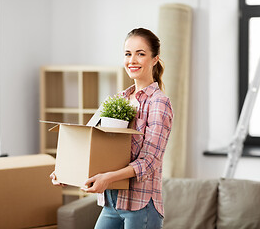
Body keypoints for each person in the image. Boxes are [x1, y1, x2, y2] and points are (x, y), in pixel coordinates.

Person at [50, 28, 173, 229]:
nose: (132, 60)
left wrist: (107, 178)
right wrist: (65, 171)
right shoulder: (118, 100)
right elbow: (88, 141)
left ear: (154, 59)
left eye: (140, 54)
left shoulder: (159, 103)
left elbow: (150, 161)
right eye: (128, 53)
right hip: (111, 203)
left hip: (141, 205)